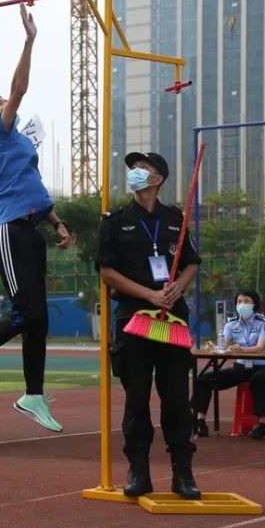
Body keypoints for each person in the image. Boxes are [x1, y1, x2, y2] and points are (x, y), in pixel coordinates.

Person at [0, 3, 73, 432]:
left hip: (31, 229)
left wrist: (57, 221)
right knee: (27, 312)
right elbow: (20, 87)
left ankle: (33, 395)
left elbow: (34, 191)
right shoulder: (0, 133)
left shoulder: (22, 146)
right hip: (8, 232)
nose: (9, 104)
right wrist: (29, 40)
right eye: (1, 103)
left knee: (38, 319)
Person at [96, 151, 201, 500]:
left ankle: (182, 473)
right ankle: (138, 470)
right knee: (136, 398)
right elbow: (108, 273)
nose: (135, 174)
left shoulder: (176, 220)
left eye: (143, 169)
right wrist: (149, 295)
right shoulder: (114, 221)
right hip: (134, 319)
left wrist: (175, 288)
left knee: (176, 398)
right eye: (133, 169)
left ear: (158, 179)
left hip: (171, 318)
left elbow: (191, 264)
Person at [191, 290, 265, 440]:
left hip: (262, 367)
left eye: (247, 301)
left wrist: (244, 349)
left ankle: (261, 423)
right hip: (241, 368)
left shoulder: (263, 322)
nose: (243, 304)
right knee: (204, 379)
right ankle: (199, 421)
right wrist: (213, 346)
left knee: (258, 380)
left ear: (254, 304)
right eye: (240, 301)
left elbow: (261, 346)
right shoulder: (231, 323)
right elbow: (223, 344)